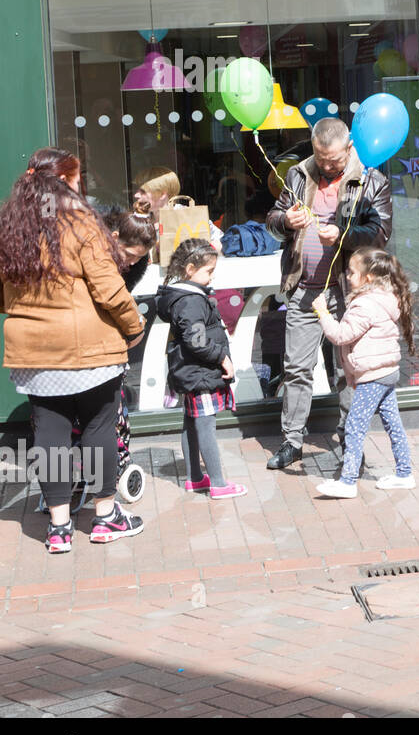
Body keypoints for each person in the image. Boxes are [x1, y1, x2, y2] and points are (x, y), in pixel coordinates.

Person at [0, 148, 146, 553]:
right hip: (88, 351)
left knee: (50, 436)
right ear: (64, 181)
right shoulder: (80, 223)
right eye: (77, 179)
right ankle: (104, 518)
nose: (81, 186)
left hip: (35, 353)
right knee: (99, 428)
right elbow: (109, 288)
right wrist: (134, 327)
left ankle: (59, 527)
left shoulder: (10, 224)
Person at [263, 117, 393, 471]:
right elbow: (273, 220)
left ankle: (351, 442)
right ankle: (291, 442)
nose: (327, 166)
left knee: (348, 371)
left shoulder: (369, 180)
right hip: (304, 290)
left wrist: (343, 236)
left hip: (347, 293)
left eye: (334, 160)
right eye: (321, 159)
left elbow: (380, 232)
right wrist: (285, 222)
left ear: (349, 146)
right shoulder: (298, 175)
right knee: (296, 369)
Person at [312, 248, 416, 498]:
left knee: (354, 426)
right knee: (393, 424)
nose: (347, 276)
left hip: (373, 375)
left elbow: (340, 336)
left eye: (352, 272)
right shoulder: (383, 297)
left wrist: (323, 313)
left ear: (368, 277)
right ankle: (404, 473)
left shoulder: (365, 305)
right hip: (387, 371)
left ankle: (348, 481)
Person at [156, 239, 246, 500]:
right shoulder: (191, 300)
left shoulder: (181, 296)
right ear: (190, 269)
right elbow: (197, 340)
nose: (211, 276)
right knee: (205, 426)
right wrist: (221, 357)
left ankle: (195, 478)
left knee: (191, 424)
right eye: (208, 271)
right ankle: (217, 483)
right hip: (200, 372)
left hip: (191, 370)